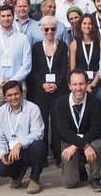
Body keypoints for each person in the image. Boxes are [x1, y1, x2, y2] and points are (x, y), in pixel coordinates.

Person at [53, 70, 101, 191]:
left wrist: (84, 145)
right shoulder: (60, 103)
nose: (78, 88)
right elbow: (63, 130)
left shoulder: (95, 101)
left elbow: (96, 128)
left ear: (87, 84)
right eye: (75, 84)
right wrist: (80, 145)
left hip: (90, 139)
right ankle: (80, 166)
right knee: (69, 183)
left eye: (81, 84)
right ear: (69, 86)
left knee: (97, 145)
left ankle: (94, 178)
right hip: (68, 141)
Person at [0, 80, 46, 193]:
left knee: (39, 146)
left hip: (27, 149)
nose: (13, 97)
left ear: (21, 93)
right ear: (5, 97)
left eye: (16, 94)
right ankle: (17, 175)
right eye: (9, 95)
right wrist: (2, 153)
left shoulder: (33, 108)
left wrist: (20, 144)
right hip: (10, 152)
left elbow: (38, 133)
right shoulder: (0, 113)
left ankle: (34, 179)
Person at [29, 16, 70, 164]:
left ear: (56, 29)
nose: (50, 32)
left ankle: (58, 154)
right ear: (42, 30)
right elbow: (35, 69)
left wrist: (57, 84)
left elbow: (64, 67)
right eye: (46, 29)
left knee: (58, 122)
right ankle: (43, 155)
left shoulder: (63, 46)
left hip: (59, 89)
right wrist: (43, 84)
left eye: (53, 29)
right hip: (41, 90)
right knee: (42, 122)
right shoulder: (36, 47)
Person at [0, 4, 31, 107]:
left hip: (18, 85)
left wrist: (13, 81)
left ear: (13, 16)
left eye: (9, 15)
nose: (6, 19)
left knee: (19, 118)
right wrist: (0, 81)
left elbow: (27, 64)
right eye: (3, 16)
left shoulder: (23, 38)